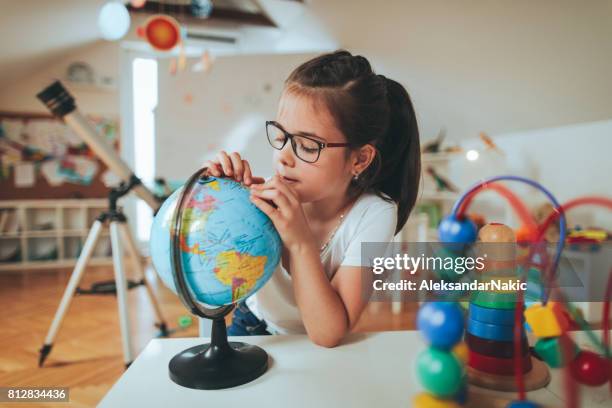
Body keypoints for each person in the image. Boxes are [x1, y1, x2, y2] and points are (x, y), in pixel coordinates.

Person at [204, 50, 421, 347]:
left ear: (359, 159)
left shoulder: (375, 213)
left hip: (315, 343)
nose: (283, 157)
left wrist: (300, 241)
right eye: (281, 137)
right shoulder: (269, 194)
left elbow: (328, 333)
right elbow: (216, 273)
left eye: (307, 146)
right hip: (252, 325)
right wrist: (226, 202)